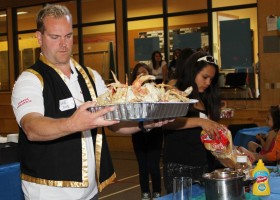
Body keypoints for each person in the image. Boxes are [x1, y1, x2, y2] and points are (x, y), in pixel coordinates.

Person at [11, 5, 170, 200]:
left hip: (90, 192)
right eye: (55, 37)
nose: (63, 44)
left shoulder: (91, 76)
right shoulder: (29, 80)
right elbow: (32, 128)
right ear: (39, 37)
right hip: (47, 192)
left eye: (68, 36)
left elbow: (115, 123)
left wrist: (145, 123)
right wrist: (74, 123)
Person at [162, 51, 223, 194]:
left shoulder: (205, 96)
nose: (208, 83)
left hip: (204, 165)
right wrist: (199, 121)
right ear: (193, 71)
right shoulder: (174, 87)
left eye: (211, 79)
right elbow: (166, 121)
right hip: (179, 165)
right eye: (205, 77)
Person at [130, 63, 163, 200]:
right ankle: (144, 192)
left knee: (153, 164)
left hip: (155, 131)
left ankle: (156, 192)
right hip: (138, 131)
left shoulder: (156, 91)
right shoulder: (130, 92)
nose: (142, 76)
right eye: (139, 74)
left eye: (145, 73)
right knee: (142, 165)